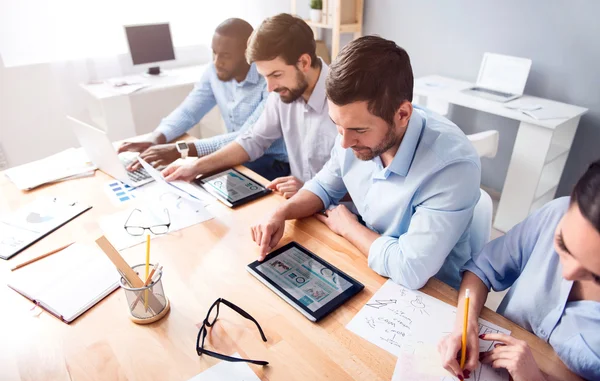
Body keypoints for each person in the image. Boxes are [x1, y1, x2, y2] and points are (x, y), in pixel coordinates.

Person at [250, 36, 481, 290]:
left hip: (431, 294)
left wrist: (348, 227)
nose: (345, 143)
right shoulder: (351, 133)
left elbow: (410, 268)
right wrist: (279, 213)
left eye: (358, 130)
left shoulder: (452, 167)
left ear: (402, 114)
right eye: (337, 125)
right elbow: (325, 187)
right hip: (368, 265)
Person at [438, 160, 600, 381]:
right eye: (563, 245)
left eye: (595, 275)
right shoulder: (556, 213)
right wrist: (466, 324)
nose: (566, 275)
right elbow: (482, 269)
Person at [161, 14, 337, 199]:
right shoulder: (282, 94)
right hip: (302, 202)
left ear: (304, 63)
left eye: (276, 74)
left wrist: (313, 190)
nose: (270, 88)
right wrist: (195, 166)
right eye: (264, 76)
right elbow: (253, 140)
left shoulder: (345, 97)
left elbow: (365, 183)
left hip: (343, 213)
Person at [117, 18, 289, 181]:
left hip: (272, 162)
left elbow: (247, 138)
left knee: (196, 177)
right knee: (177, 175)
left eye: (225, 55)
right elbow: (189, 110)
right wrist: (157, 138)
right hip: (235, 153)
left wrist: (181, 150)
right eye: (214, 53)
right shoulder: (215, 71)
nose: (217, 62)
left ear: (248, 54)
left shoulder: (270, 82)